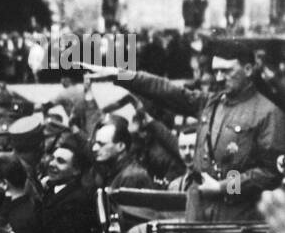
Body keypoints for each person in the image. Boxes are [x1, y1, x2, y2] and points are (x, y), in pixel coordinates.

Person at [87, 56, 285, 221]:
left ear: (248, 69)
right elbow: (166, 90)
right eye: (216, 71)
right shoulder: (211, 103)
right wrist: (120, 75)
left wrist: (223, 187)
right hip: (198, 210)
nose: (219, 77)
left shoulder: (268, 113)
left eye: (226, 71)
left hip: (236, 217)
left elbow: (269, 173)